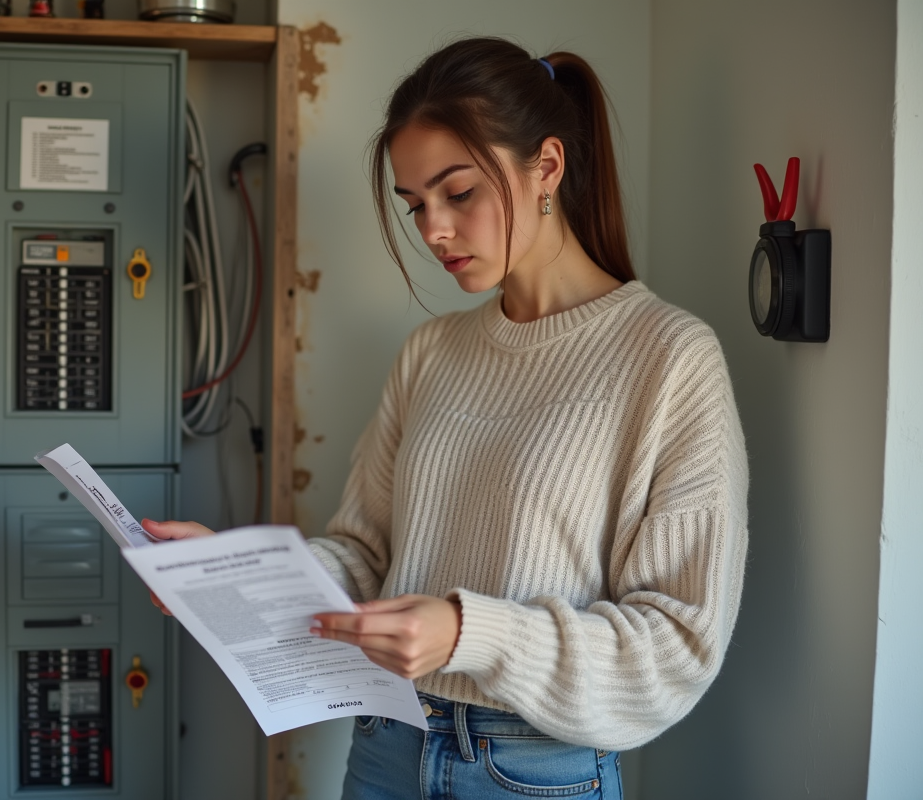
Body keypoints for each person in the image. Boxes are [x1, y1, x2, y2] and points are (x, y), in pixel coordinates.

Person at [142, 36, 748, 800]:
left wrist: (468, 633)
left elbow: (676, 645)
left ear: (547, 168)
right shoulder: (430, 353)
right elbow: (364, 559)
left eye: (458, 193)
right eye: (415, 205)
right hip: (384, 748)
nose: (432, 230)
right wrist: (235, 573)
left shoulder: (670, 359)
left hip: (533, 771)